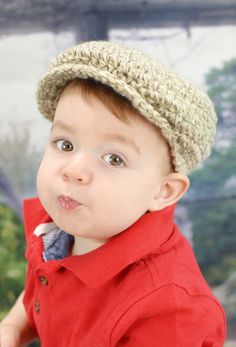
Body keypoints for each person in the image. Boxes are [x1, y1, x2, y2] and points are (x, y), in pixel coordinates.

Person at [0, 41, 226, 347]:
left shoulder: (168, 312)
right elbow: (46, 283)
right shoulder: (58, 227)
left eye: (113, 159)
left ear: (163, 191)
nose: (72, 170)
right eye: (65, 144)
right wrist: (13, 327)